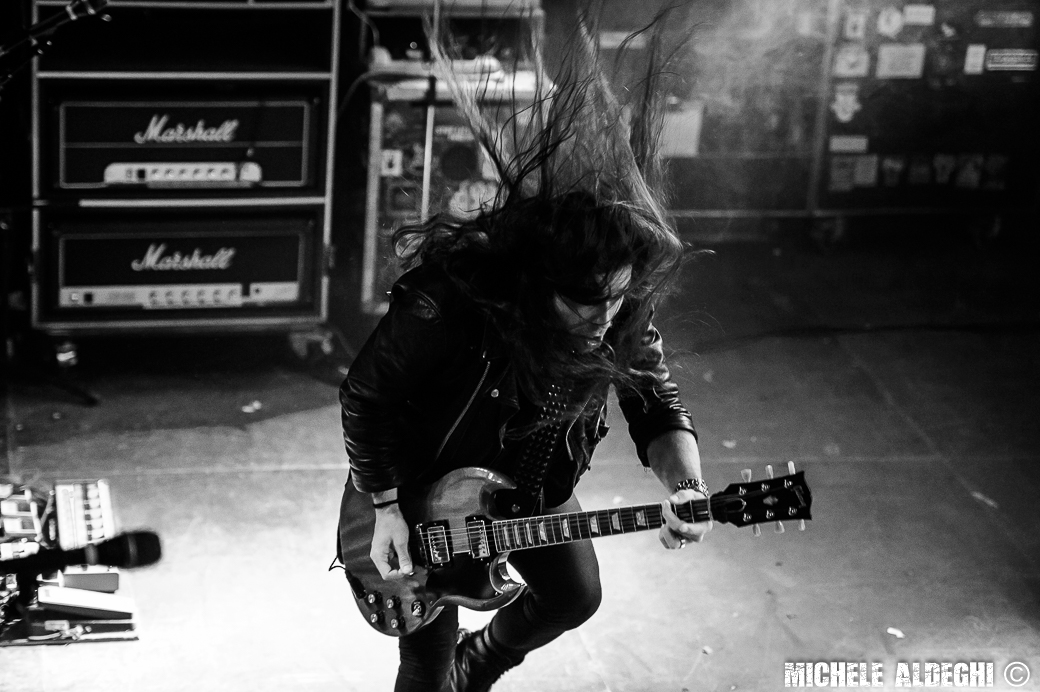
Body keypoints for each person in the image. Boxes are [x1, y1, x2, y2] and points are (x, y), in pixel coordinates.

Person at [339, 12, 709, 692]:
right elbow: (366, 394)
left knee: (574, 596)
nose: (603, 321)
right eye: (583, 305)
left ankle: (480, 664)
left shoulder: (618, 300)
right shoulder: (450, 301)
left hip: (529, 487)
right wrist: (385, 503)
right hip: (423, 493)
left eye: (615, 300)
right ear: (538, 287)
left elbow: (655, 399)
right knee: (425, 661)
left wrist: (686, 486)